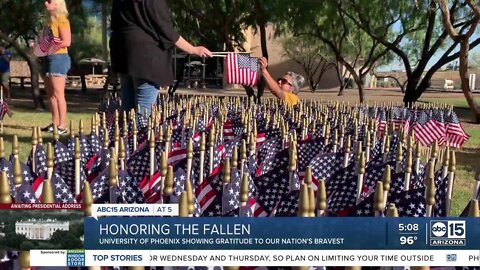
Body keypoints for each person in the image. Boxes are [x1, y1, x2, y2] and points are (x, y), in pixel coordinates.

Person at [110, 0, 212, 116]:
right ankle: (138, 133)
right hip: (146, 57)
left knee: (127, 109)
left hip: (123, 52)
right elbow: (165, 30)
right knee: (143, 110)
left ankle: (126, 133)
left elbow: (114, 24)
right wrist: (192, 49)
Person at [39, 0, 72, 135]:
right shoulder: (49, 22)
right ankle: (55, 123)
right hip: (47, 57)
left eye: (49, 1)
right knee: (50, 94)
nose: (46, 3)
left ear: (57, 4)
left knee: (59, 94)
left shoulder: (62, 20)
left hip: (59, 58)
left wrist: (50, 48)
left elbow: (67, 41)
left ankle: (62, 126)